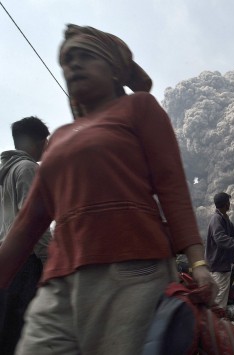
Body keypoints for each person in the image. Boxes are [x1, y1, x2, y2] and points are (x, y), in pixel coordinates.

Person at [0, 24, 216, 355]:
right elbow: (27, 224)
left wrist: (198, 263)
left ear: (115, 71)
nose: (73, 64)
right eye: (67, 58)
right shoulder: (58, 137)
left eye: (85, 56)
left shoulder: (140, 108)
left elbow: (172, 188)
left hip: (132, 271)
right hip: (59, 281)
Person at [0, 117, 51, 355]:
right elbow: (34, 223)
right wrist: (48, 261)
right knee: (24, 333)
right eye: (45, 140)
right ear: (37, 142)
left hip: (4, 263)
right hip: (25, 264)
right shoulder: (28, 169)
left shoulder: (3, 172)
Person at [205, 192, 234, 309]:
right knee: (219, 300)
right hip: (219, 265)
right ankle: (218, 322)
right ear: (226, 204)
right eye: (228, 202)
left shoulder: (224, 218)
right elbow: (220, 238)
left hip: (230, 261)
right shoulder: (216, 219)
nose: (229, 204)